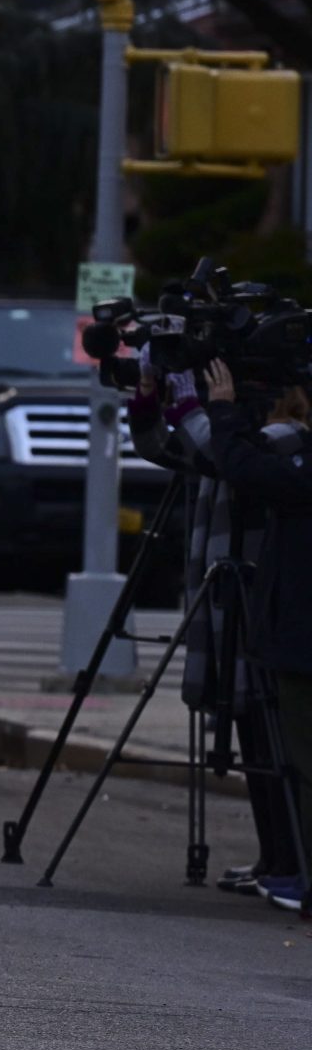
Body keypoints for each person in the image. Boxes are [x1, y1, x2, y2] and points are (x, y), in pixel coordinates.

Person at [203, 356, 312, 914]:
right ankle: (290, 867)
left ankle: (304, 875)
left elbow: (246, 470)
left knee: (303, 758)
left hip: (300, 633)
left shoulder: (297, 460)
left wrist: (223, 413)